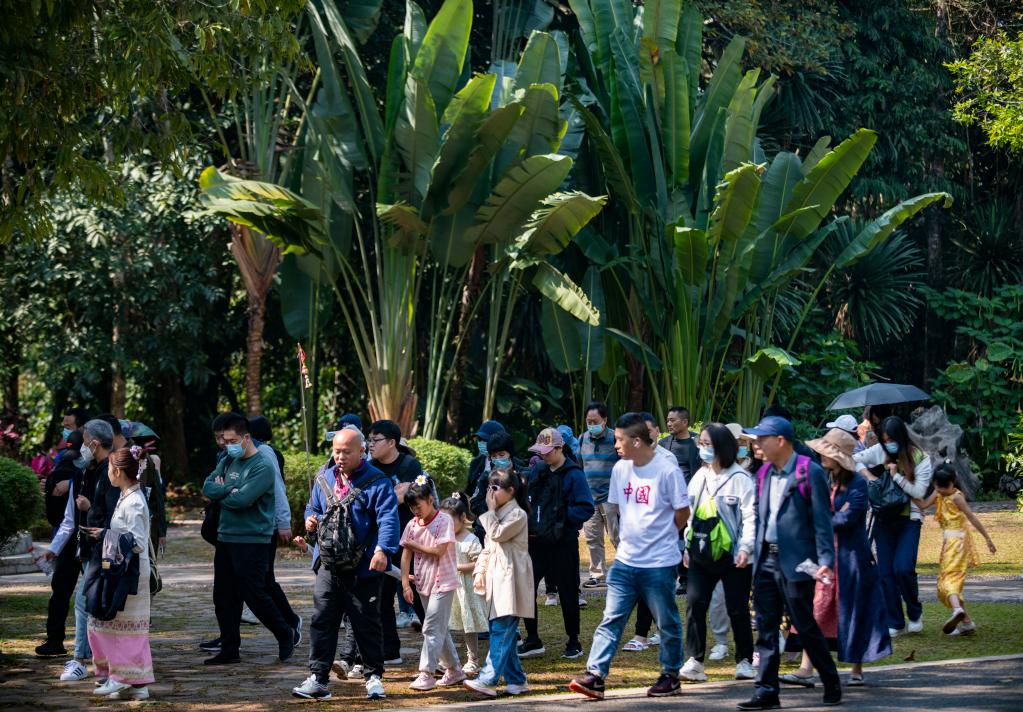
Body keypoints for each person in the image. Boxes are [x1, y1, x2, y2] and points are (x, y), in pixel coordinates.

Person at [569, 413, 691, 700]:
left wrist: (662, 534)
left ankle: (670, 675)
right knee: (611, 618)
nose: (616, 445)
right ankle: (596, 676)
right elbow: (619, 508)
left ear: (637, 440)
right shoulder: (621, 469)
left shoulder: (667, 469)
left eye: (620, 440)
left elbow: (682, 511)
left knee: (667, 621)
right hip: (625, 560)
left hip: (659, 563)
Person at [737, 416, 840, 710]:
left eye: (761, 439)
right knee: (766, 626)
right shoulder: (763, 474)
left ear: (780, 441)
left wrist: (826, 561)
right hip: (765, 559)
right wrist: (748, 549)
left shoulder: (810, 472)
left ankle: (830, 678)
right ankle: (766, 690)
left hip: (796, 561)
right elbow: (758, 517)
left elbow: (823, 522)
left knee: (804, 624)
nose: (756, 445)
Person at [291, 427, 399, 701]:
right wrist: (310, 520)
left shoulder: (378, 482)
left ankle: (373, 676)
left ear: (361, 451)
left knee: (366, 622)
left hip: (364, 565)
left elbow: (388, 518)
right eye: (336, 451)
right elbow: (312, 507)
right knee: (322, 619)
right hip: (328, 564)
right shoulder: (324, 477)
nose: (340, 457)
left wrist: (383, 550)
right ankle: (317, 677)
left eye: (346, 452)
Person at [787, 428, 891, 686]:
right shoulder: (824, 478)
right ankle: (805, 667)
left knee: (856, 612)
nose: (821, 455)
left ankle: (856, 669)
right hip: (824, 555)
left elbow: (847, 517)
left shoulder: (857, 483)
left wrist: (821, 519)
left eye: (827, 452)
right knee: (817, 609)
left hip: (852, 559)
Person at [202, 414, 298, 665]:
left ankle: (284, 631)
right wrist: (227, 490)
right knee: (223, 595)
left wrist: (224, 493)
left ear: (246, 437)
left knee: (254, 592)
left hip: (253, 539)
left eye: (232, 440)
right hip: (226, 536)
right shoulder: (227, 460)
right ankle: (230, 646)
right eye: (224, 440)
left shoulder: (263, 464)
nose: (227, 444)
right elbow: (208, 486)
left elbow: (242, 500)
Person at [679, 423, 756, 683]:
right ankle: (695, 661)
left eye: (707, 443)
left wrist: (746, 548)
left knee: (737, 609)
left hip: (734, 556)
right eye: (700, 443)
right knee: (695, 605)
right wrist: (688, 546)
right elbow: (691, 515)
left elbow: (750, 517)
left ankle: (745, 661)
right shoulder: (699, 476)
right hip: (701, 553)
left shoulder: (740, 479)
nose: (702, 448)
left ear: (722, 446)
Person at [84, 445, 155, 700]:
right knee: (124, 628)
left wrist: (104, 534)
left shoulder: (134, 501)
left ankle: (119, 676)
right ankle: (138, 684)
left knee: (118, 627)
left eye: (110, 471)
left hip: (129, 573)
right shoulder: (128, 495)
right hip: (124, 570)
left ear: (117, 470)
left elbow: (136, 541)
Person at [519, 427, 595, 660]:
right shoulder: (539, 470)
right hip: (537, 542)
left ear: (560, 448)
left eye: (548, 451)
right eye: (540, 451)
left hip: (563, 543)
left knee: (568, 592)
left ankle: (574, 641)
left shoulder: (574, 474)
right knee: (526, 588)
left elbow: (586, 507)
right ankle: (532, 639)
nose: (543, 455)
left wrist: (561, 519)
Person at [853, 415, 932, 638]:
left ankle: (914, 612)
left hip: (909, 520)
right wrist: (869, 476)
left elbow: (918, 492)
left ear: (901, 438)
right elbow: (853, 458)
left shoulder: (920, 457)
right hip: (884, 519)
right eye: (885, 439)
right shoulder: (881, 451)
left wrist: (896, 476)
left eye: (891, 439)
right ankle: (895, 621)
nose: (888, 443)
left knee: (903, 568)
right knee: (885, 572)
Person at [46, 418, 114, 672]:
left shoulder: (113, 470)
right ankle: (84, 656)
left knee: (92, 603)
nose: (82, 449)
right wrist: (55, 547)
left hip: (106, 545)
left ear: (94, 444)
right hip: (86, 547)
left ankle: (88, 658)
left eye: (85, 443)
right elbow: (69, 519)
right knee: (85, 602)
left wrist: (91, 508)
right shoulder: (82, 472)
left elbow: (119, 512)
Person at [463, 466, 534, 697]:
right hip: (496, 578)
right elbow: (488, 547)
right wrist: (479, 572)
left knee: (501, 629)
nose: (490, 493)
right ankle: (517, 680)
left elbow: (497, 534)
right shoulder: (496, 514)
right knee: (502, 630)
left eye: (495, 488)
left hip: (511, 579)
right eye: (488, 487)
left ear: (511, 491)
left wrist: (491, 511)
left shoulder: (518, 515)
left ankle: (488, 679)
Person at [915, 463, 996, 636]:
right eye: (939, 486)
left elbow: (972, 517)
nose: (942, 490)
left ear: (954, 482)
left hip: (958, 544)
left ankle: (957, 610)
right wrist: (905, 486)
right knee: (949, 579)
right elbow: (922, 505)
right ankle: (966, 621)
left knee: (948, 580)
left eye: (945, 487)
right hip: (948, 543)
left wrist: (988, 538)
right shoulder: (939, 492)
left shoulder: (957, 497)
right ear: (935, 484)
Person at [400, 476, 465, 691]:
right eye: (411, 508)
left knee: (430, 628)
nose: (415, 511)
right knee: (439, 628)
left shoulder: (444, 520)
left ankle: (426, 673)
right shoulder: (411, 525)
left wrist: (415, 545)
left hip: (444, 582)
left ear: (430, 500)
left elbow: (439, 550)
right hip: (422, 582)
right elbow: (405, 556)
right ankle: (454, 670)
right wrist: (405, 585)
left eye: (418, 506)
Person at [368, 419, 424, 646]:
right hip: (382, 540)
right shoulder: (370, 468)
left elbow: (407, 496)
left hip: (410, 540)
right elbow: (377, 502)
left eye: (376, 440)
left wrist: (389, 497)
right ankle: (391, 650)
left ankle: (439, 646)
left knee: (417, 593)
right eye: (368, 440)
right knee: (382, 598)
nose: (370, 445)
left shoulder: (409, 464)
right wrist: (395, 494)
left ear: (392, 442)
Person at [35, 432, 86, 674]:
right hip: (73, 542)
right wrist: (53, 548)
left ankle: (80, 645)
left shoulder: (106, 471)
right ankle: (57, 641)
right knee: (64, 593)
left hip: (91, 542)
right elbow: (68, 519)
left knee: (82, 597)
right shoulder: (76, 472)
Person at [441, 493, 488, 675]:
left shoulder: (471, 539)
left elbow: (480, 561)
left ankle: (472, 659)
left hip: (467, 588)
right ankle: (446, 660)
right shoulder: (445, 539)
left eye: (450, 521)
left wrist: (458, 567)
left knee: (469, 625)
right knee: (445, 622)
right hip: (449, 586)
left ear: (462, 517)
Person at [578, 402, 620, 589]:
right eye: (589, 421)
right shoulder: (583, 438)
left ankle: (624, 571)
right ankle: (597, 575)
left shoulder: (615, 438)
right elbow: (579, 466)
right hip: (589, 498)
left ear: (605, 420)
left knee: (617, 536)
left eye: (595, 420)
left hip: (612, 498)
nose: (591, 424)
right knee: (592, 538)